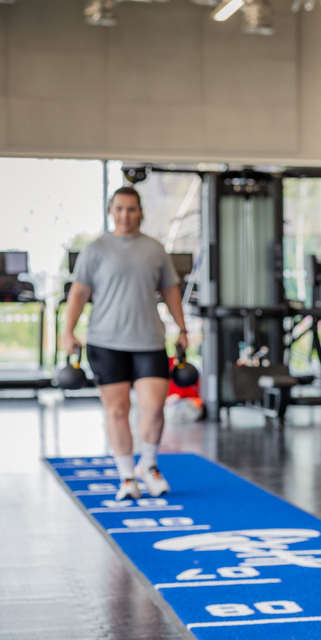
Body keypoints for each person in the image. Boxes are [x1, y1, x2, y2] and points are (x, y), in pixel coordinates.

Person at [62, 186, 188, 501]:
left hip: (149, 340)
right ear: (111, 211)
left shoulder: (155, 249)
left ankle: (149, 465)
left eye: (131, 209)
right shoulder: (95, 250)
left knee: (154, 408)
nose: (125, 215)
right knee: (118, 411)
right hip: (106, 343)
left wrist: (182, 329)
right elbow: (78, 293)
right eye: (119, 209)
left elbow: (171, 292)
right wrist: (68, 331)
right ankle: (127, 476)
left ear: (140, 212)